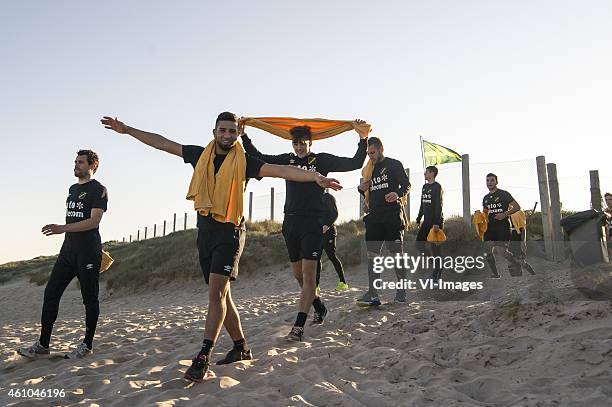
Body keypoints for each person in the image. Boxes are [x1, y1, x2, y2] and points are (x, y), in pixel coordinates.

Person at [100, 112, 341, 382]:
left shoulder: (245, 162)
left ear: (237, 134)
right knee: (222, 296)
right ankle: (241, 347)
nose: (227, 135)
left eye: (232, 132)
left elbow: (281, 170)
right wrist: (127, 129)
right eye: (223, 130)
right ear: (214, 131)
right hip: (206, 232)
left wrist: (315, 177)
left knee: (215, 294)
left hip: (231, 232)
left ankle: (204, 355)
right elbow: (162, 143)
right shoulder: (199, 155)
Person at [242, 123, 367, 341]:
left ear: (311, 143)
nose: (299, 147)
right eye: (296, 143)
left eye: (303, 143)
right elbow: (258, 157)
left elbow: (355, 163)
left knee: (309, 277)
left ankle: (298, 327)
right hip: (290, 224)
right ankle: (319, 306)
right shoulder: (287, 160)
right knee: (298, 276)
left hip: (313, 224)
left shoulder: (321, 160)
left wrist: (363, 138)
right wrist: (244, 135)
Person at [18, 150, 108, 359]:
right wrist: (64, 231)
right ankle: (43, 345)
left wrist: (62, 228)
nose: (76, 165)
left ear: (92, 165)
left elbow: (94, 222)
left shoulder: (99, 189)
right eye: (75, 162)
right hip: (67, 252)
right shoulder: (72, 189)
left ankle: (87, 345)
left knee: (90, 298)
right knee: (51, 293)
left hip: (88, 252)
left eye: (81, 162)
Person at [357, 137, 411, 306]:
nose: (370, 156)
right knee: (372, 255)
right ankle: (373, 293)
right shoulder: (369, 169)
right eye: (368, 153)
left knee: (396, 255)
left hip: (392, 216)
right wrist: (361, 189)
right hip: (374, 217)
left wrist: (397, 193)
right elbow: (368, 192)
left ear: (381, 149)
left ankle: (401, 292)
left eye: (372, 152)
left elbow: (406, 185)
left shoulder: (394, 164)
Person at [482, 173, 521, 278]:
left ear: (496, 182)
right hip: (490, 227)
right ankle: (495, 274)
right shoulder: (485, 198)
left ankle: (515, 261)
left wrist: (504, 214)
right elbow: (485, 212)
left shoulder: (504, 194)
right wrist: (480, 218)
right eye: (487, 181)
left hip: (502, 226)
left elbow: (517, 207)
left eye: (492, 180)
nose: (489, 183)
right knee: (487, 248)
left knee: (500, 251)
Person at [316, 190, 349, 292]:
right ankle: (316, 286)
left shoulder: (327, 197)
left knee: (331, 256)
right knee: (316, 257)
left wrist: (327, 225)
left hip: (329, 232)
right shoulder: (313, 199)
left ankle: (343, 283)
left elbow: (335, 213)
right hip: (318, 233)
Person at [415, 165, 444, 280]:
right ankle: (436, 264)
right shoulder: (424, 186)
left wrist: (437, 223)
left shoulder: (437, 187)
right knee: (419, 244)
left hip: (435, 222)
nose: (424, 174)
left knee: (435, 248)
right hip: (426, 221)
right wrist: (418, 218)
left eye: (426, 172)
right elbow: (422, 204)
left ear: (432, 173)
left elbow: (439, 205)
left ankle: (437, 271)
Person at [506, 210, 536, 276]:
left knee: (520, 260)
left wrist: (523, 242)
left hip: (517, 238)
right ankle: (515, 275)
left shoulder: (519, 213)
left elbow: (523, 229)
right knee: (510, 260)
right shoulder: (506, 214)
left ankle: (533, 274)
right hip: (510, 240)